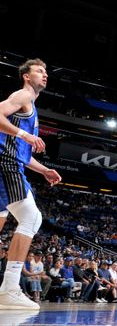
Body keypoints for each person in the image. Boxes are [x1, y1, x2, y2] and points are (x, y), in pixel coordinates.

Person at [0, 58, 62, 309]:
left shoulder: (30, 106)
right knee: (31, 218)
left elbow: (22, 154)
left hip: (10, 162)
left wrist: (44, 169)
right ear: (26, 76)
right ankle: (9, 288)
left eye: (46, 71)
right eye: (39, 71)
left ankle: (8, 290)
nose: (44, 75)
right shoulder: (22, 96)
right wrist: (24, 134)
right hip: (6, 165)